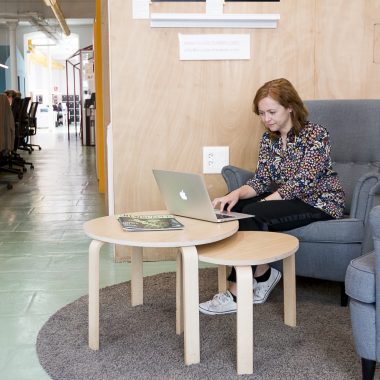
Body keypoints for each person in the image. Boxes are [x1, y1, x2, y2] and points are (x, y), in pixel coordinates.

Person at [199, 78, 345, 315]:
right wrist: (235, 194)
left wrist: (264, 201)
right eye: (262, 113)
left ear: (290, 107)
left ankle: (238, 291)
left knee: (254, 212)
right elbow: (261, 180)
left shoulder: (316, 134)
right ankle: (264, 273)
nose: (266, 119)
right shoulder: (269, 139)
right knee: (232, 207)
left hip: (321, 201)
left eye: (272, 112)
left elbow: (302, 182)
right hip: (288, 199)